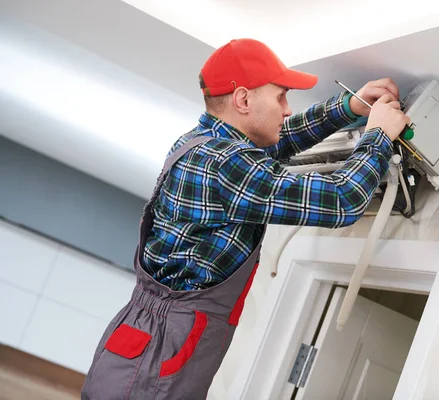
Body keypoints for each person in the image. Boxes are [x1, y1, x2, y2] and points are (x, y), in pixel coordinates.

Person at [81, 38, 410, 399]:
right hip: (157, 353)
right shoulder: (224, 163)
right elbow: (341, 201)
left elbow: (275, 143)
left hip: (143, 343)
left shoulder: (201, 142)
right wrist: (378, 135)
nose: (287, 109)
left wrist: (349, 107)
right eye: (280, 97)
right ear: (243, 100)